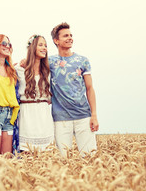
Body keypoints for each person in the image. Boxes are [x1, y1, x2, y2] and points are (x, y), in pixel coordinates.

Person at [49, 22, 99, 157]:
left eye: (71, 35)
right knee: (63, 159)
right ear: (56, 40)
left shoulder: (82, 60)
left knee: (90, 157)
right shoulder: (49, 62)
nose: (70, 38)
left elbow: (89, 88)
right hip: (61, 118)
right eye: (65, 36)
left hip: (83, 115)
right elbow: (33, 64)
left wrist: (94, 115)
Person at [15, 35, 54, 152]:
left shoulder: (47, 71)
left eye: (46, 46)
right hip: (27, 113)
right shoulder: (19, 69)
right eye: (41, 45)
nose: (44, 48)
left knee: (46, 155)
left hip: (43, 114)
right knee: (26, 153)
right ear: (32, 48)